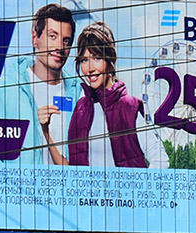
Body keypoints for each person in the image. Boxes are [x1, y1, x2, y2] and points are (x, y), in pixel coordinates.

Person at [0, 4, 81, 165]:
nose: (59, 47)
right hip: (19, 189)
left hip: (66, 189)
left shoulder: (79, 93)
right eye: (52, 36)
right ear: (35, 38)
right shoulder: (2, 90)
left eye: (66, 40)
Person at [39, 22, 147, 168]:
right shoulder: (81, 109)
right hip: (87, 191)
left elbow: (160, 160)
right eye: (84, 60)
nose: (90, 68)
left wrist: (139, 189)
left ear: (110, 60)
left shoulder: (129, 106)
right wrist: (46, 131)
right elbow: (72, 171)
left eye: (97, 58)